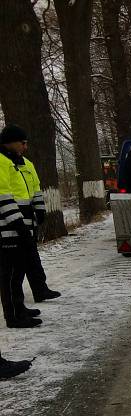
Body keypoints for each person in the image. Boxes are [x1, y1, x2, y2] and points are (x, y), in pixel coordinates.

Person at [0, 125, 41, 328]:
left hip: (20, 225)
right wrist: (19, 225)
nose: (25, 147)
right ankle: (13, 316)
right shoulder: (1, 161)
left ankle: (19, 309)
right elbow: (3, 197)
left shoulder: (11, 161)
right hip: (8, 228)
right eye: (22, 142)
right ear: (11, 141)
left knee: (19, 272)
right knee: (9, 274)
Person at [14, 131, 60, 303]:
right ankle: (14, 302)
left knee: (32, 256)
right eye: (22, 143)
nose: (25, 147)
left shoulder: (27, 164)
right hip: (12, 219)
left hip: (28, 217)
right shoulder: (5, 164)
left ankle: (40, 289)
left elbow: (36, 188)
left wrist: (40, 210)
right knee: (16, 263)